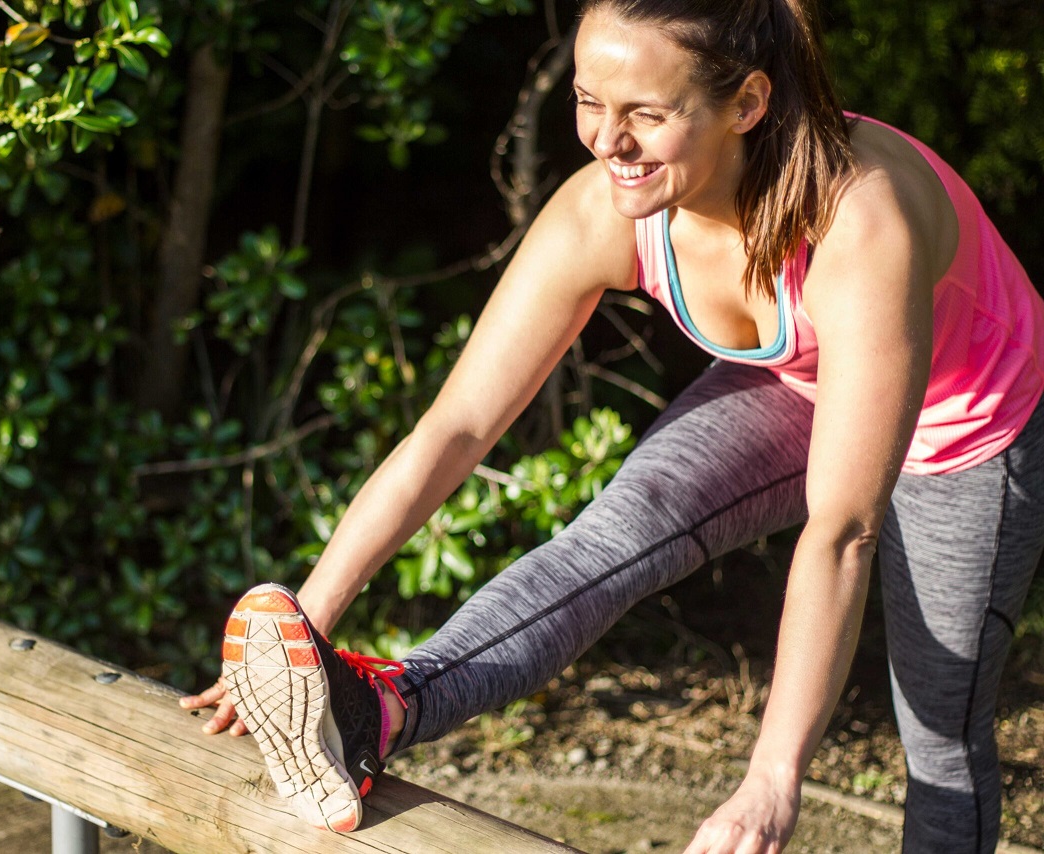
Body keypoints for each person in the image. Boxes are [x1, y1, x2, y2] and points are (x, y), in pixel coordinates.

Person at [181, 0, 1044, 850]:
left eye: (646, 114)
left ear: (747, 103)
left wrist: (771, 781)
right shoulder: (603, 208)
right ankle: (372, 707)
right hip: (800, 379)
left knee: (938, 726)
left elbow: (842, 531)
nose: (607, 141)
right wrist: (307, 626)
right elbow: (456, 427)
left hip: (968, 426)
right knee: (622, 529)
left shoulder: (858, 221)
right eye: (590, 102)